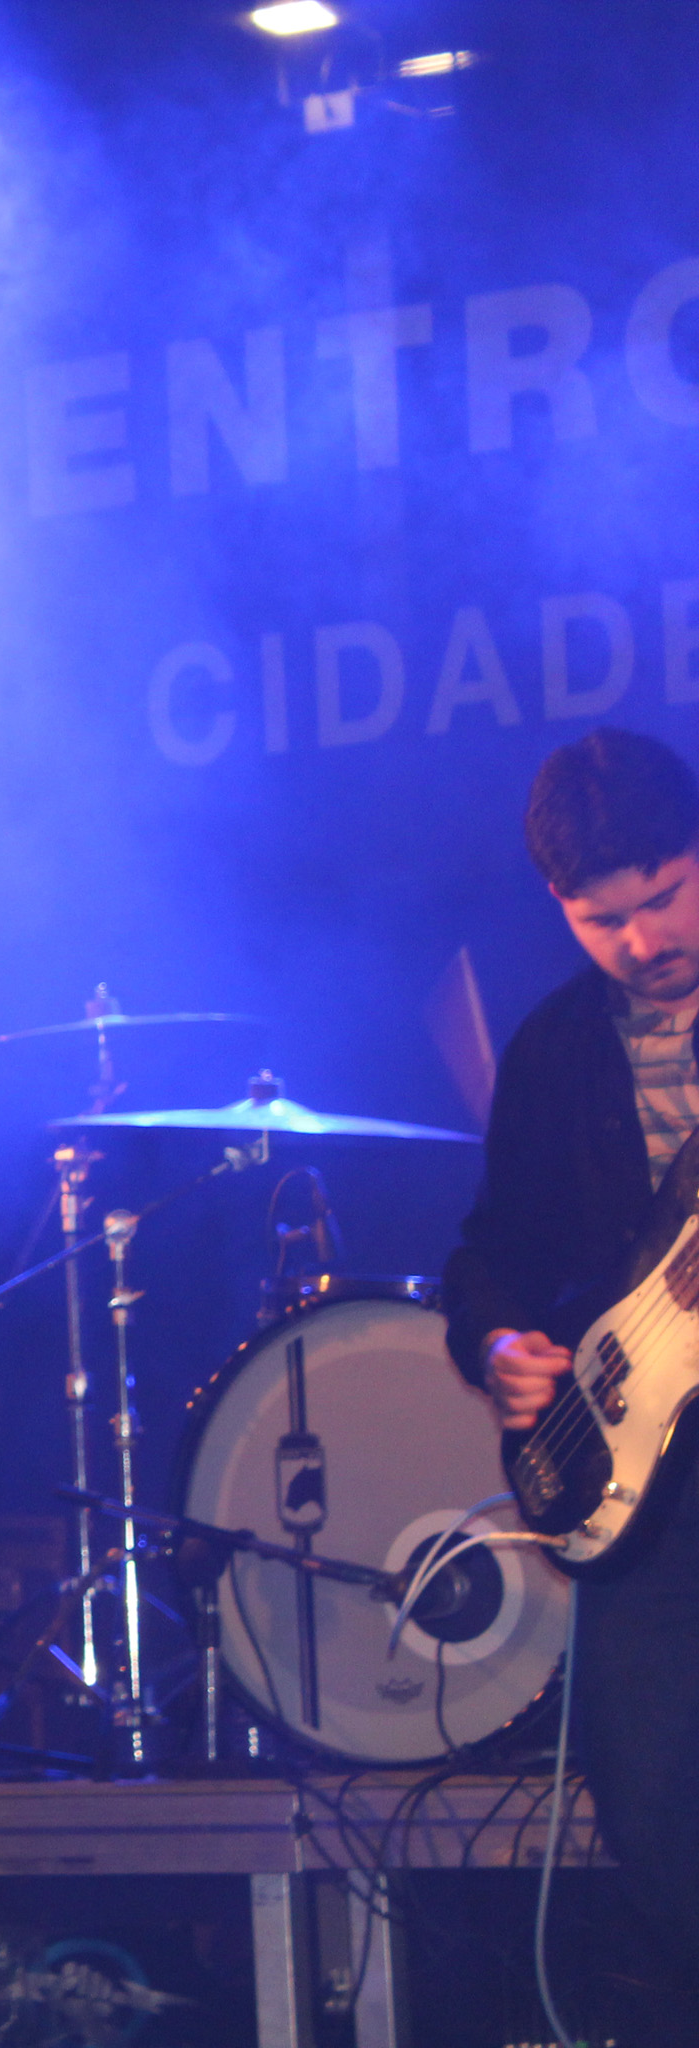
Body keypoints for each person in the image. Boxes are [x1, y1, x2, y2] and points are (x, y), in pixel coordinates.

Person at [445, 726, 699, 2007]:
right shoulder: (552, 1050)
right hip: (644, 1500)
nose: (646, 940)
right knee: (655, 1809)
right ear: (559, 904)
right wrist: (498, 1344)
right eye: (605, 920)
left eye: (669, 895)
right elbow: (491, 1251)